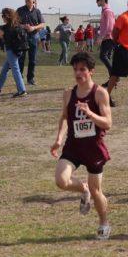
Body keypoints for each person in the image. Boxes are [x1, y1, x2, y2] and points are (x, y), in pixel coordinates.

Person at [50, 52, 113, 240]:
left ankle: (104, 222)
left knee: (97, 191)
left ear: (91, 71)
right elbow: (64, 118)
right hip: (73, 146)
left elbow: (108, 123)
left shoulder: (100, 93)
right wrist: (59, 139)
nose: (78, 73)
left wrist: (90, 114)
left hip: (94, 147)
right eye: (75, 69)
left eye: (83, 69)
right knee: (61, 180)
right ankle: (83, 189)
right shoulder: (68, 93)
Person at [0, 8, 27, 97]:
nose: (2, 18)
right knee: (5, 69)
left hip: (11, 51)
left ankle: (22, 90)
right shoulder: (18, 26)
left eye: (3, 16)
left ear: (6, 17)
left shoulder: (4, 28)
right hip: (20, 50)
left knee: (15, 70)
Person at [16, 0, 45, 86]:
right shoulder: (20, 10)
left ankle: (30, 78)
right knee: (21, 58)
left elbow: (42, 24)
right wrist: (23, 26)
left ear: (33, 0)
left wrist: (34, 28)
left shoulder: (37, 11)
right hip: (22, 36)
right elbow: (14, 23)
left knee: (33, 59)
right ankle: (19, 78)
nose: (27, 0)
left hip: (34, 36)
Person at [96, 0, 116, 79]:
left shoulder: (107, 11)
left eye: (98, 0)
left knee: (103, 56)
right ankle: (112, 79)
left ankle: (114, 76)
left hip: (108, 38)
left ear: (103, 0)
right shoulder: (105, 11)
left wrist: (101, 37)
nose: (96, 2)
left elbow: (109, 27)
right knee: (107, 57)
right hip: (108, 38)